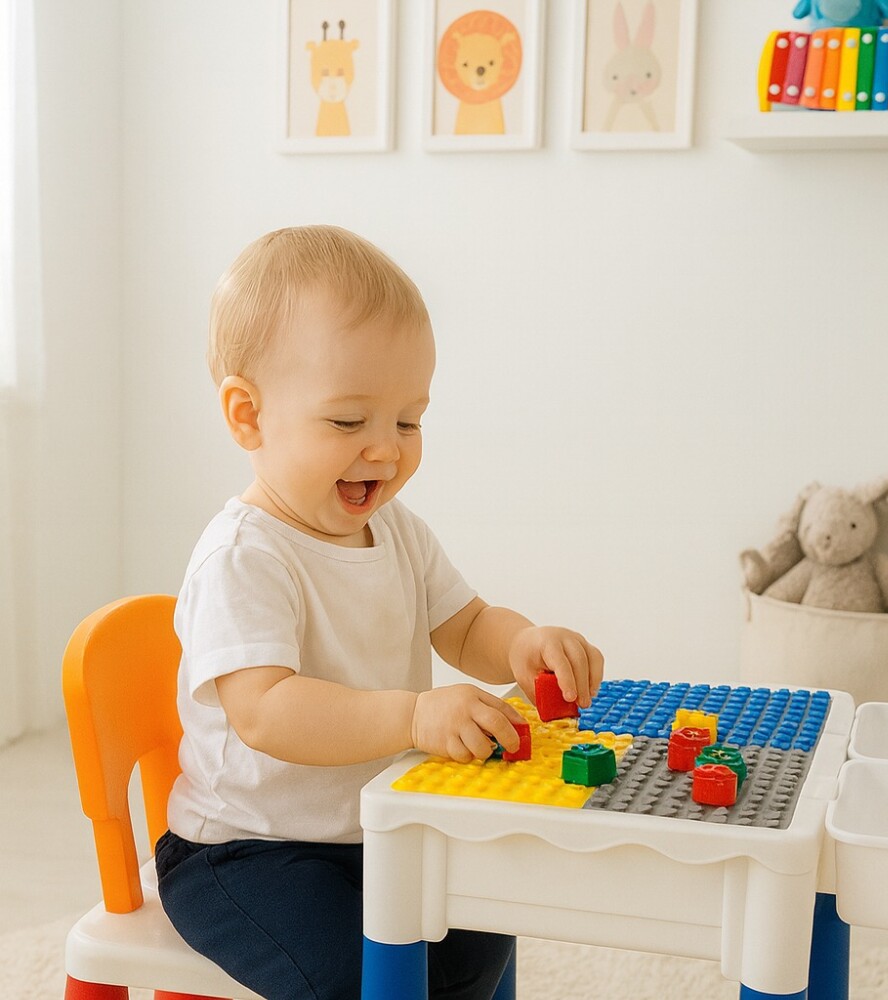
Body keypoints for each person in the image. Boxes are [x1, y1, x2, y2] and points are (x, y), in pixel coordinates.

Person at [155, 225, 605, 1000]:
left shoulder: (395, 532)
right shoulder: (245, 556)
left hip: (382, 828)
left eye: (408, 421)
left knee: (485, 922)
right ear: (248, 416)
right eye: (348, 422)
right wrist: (413, 717)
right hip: (250, 852)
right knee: (356, 980)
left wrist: (525, 643)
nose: (386, 451)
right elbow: (266, 711)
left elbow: (465, 624)